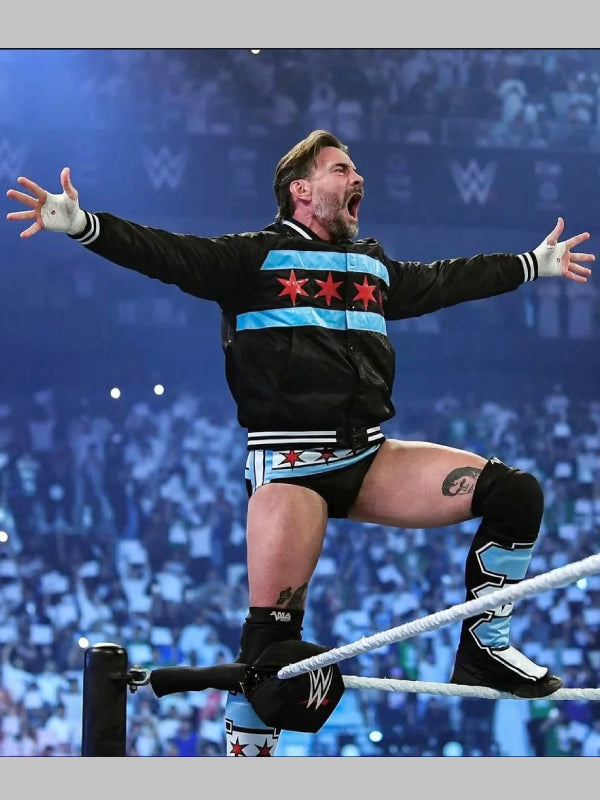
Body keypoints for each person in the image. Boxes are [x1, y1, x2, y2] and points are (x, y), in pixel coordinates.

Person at [6, 129, 595, 757]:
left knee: (515, 493)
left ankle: (485, 648)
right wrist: (85, 226)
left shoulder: (372, 265)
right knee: (270, 654)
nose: (357, 177)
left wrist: (532, 264)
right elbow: (167, 253)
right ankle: (247, 768)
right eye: (341, 169)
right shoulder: (252, 259)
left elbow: (447, 279)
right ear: (301, 190)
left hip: (369, 455)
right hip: (290, 467)